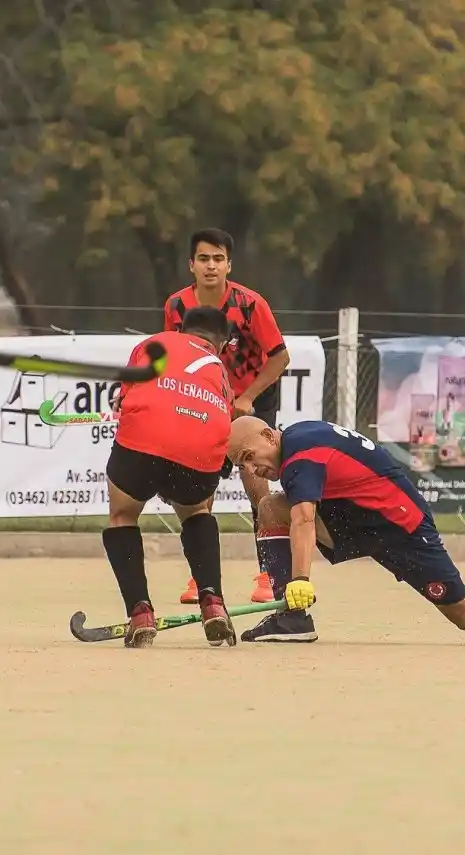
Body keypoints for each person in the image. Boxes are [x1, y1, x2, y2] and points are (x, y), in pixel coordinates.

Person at [226, 416, 465, 646]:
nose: (252, 469)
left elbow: (305, 519)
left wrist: (301, 579)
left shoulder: (300, 454)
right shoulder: (299, 440)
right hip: (360, 519)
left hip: (401, 527)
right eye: (242, 466)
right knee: (272, 506)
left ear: (269, 436)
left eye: (249, 457)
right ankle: (292, 618)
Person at [163, 228, 291, 605]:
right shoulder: (176, 307)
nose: (211, 266)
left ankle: (268, 574)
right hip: (206, 403)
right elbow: (173, 355)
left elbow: (280, 357)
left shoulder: (250, 305)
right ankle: (201, 579)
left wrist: (248, 397)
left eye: (218, 259)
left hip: (253, 404)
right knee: (199, 491)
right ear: (191, 265)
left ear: (229, 265)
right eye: (203, 259)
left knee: (257, 486)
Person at [103, 306, 238, 648]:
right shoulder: (221, 371)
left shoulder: (156, 342)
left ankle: (140, 613)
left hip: (144, 442)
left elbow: (125, 395)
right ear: (221, 343)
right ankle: (213, 603)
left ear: (181, 329)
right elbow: (224, 422)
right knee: (196, 512)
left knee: (122, 515)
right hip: (199, 452)